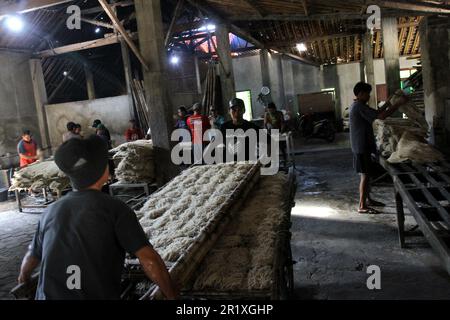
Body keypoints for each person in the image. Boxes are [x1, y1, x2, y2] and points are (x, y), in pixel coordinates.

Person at [17, 136, 178, 300]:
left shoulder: (50, 211)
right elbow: (149, 260)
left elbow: (30, 260)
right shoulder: (114, 209)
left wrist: (25, 278)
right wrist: (172, 296)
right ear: (103, 170)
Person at [350, 82, 407, 214]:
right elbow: (381, 116)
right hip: (361, 147)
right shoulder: (358, 106)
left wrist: (388, 102)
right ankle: (362, 206)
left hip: (362, 145)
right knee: (365, 176)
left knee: (367, 175)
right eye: (367, 94)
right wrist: (397, 104)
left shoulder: (359, 105)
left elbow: (376, 112)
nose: (369, 96)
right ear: (360, 94)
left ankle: (368, 200)